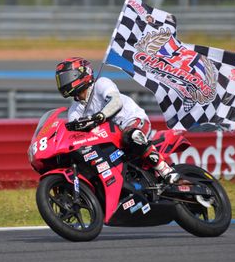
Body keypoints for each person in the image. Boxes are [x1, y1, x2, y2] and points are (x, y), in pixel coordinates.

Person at [55, 56, 178, 184]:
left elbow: (116, 101)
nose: (63, 83)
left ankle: (165, 170)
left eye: (65, 78)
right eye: (60, 79)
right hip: (109, 137)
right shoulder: (74, 110)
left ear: (81, 74)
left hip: (132, 121)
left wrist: (101, 116)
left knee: (131, 136)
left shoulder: (101, 83)